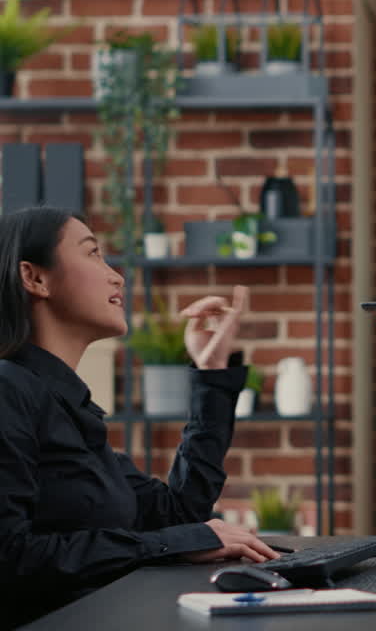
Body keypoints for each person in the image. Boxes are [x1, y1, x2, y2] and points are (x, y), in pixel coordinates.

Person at [0, 207, 276, 627]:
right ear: (35, 278)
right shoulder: (8, 390)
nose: (117, 276)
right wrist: (173, 543)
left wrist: (210, 375)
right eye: (92, 254)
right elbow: (10, 557)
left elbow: (178, 512)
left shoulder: (66, 406)